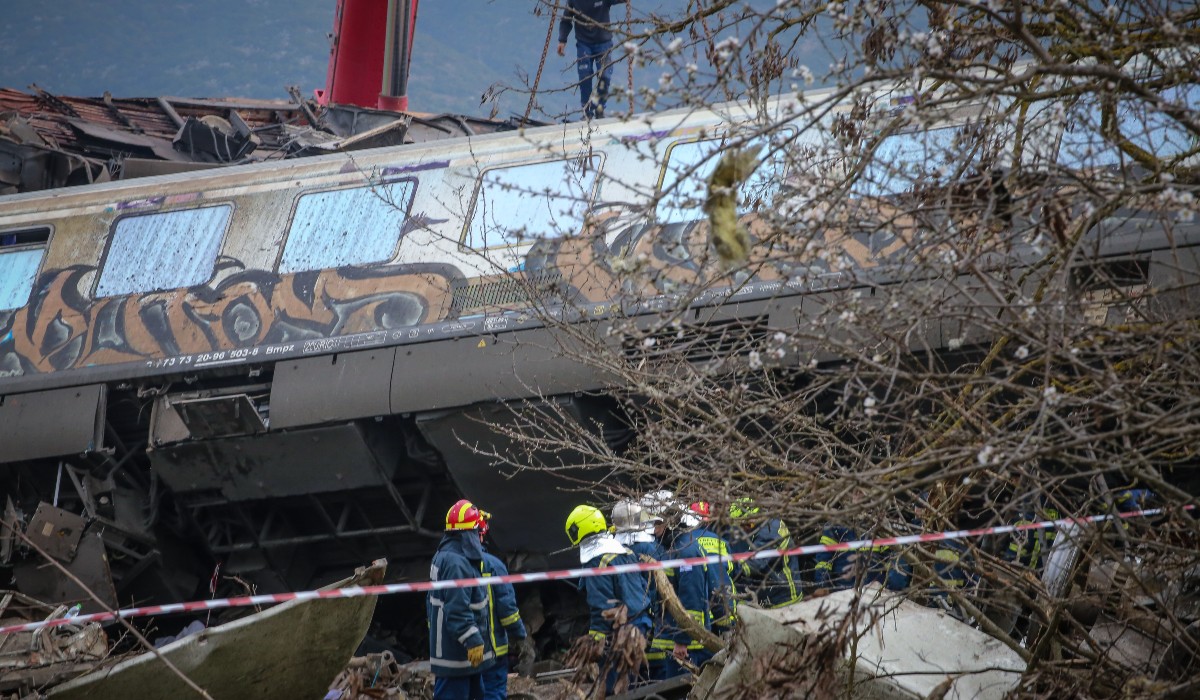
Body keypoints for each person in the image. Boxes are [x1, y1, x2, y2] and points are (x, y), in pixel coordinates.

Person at [565, 504, 654, 691]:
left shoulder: (597, 563)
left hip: (619, 635)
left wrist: (595, 642)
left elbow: (602, 607)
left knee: (616, 687)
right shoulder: (625, 552)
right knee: (636, 685)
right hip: (641, 625)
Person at [428, 499, 494, 700]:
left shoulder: (448, 555)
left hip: (458, 655)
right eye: (479, 532)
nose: (481, 537)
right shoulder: (457, 563)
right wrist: (473, 640)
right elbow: (457, 610)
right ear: (469, 533)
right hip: (456, 655)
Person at [479, 512, 533, 700]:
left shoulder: (447, 565)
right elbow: (507, 610)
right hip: (492, 650)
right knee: (492, 693)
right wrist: (521, 638)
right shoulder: (493, 566)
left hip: (460, 653)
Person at [723, 498, 804, 608]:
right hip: (772, 591)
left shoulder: (769, 532)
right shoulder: (767, 523)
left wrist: (728, 566)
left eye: (744, 525)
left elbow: (755, 563)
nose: (742, 529)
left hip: (783, 597)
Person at [557, 0, 627, 119]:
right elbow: (566, 20)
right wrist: (562, 40)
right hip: (584, 43)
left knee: (605, 75)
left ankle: (600, 107)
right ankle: (587, 111)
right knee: (585, 75)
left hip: (603, 42)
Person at [684, 502, 737, 634]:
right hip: (725, 604)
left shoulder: (685, 542)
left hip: (702, 609)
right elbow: (733, 569)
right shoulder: (721, 541)